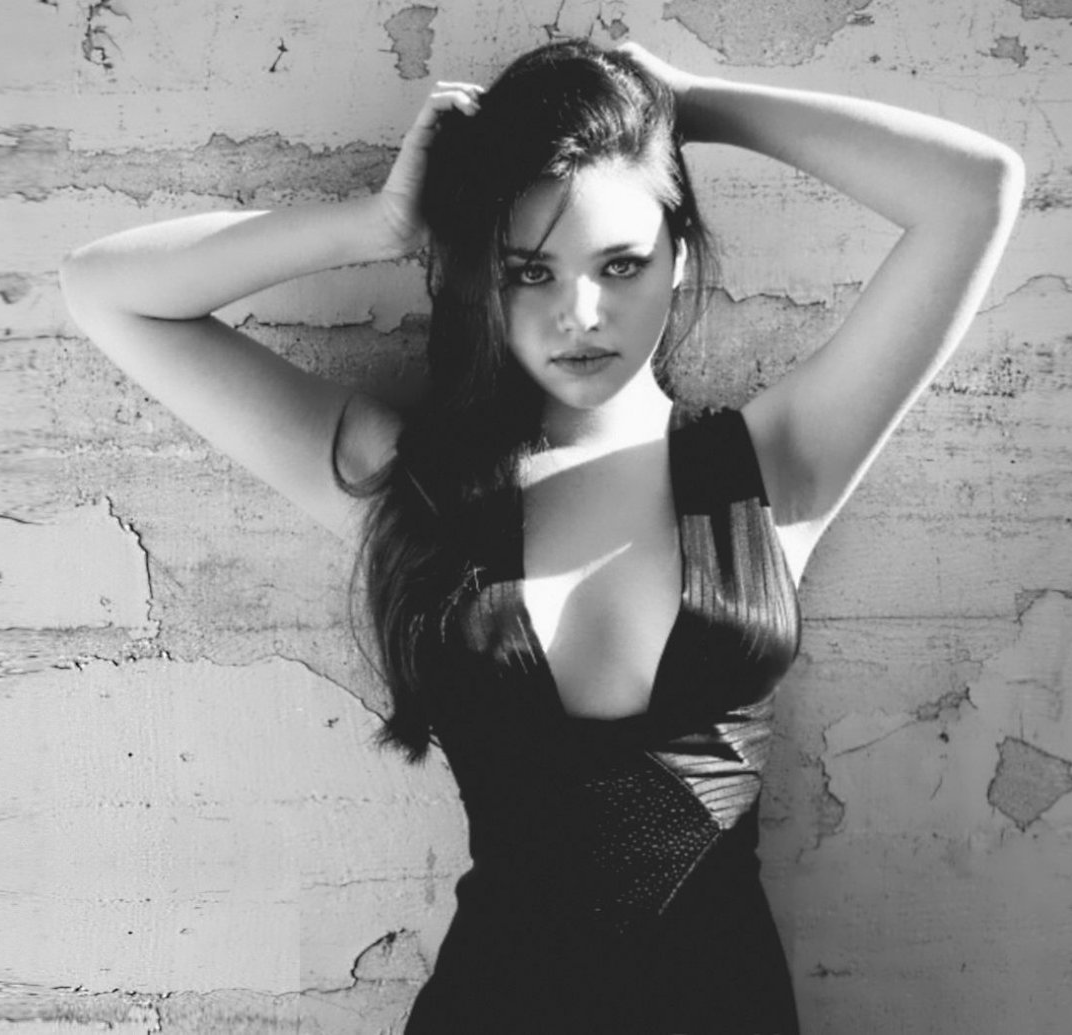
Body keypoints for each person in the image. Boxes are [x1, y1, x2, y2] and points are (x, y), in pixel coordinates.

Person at [60, 36, 1022, 1035]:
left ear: (681, 256)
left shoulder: (774, 465)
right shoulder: (417, 485)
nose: (581, 313)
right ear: (484, 277)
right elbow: (105, 289)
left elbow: (978, 193)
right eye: (532, 272)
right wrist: (376, 224)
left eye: (621, 264)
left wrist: (690, 105)